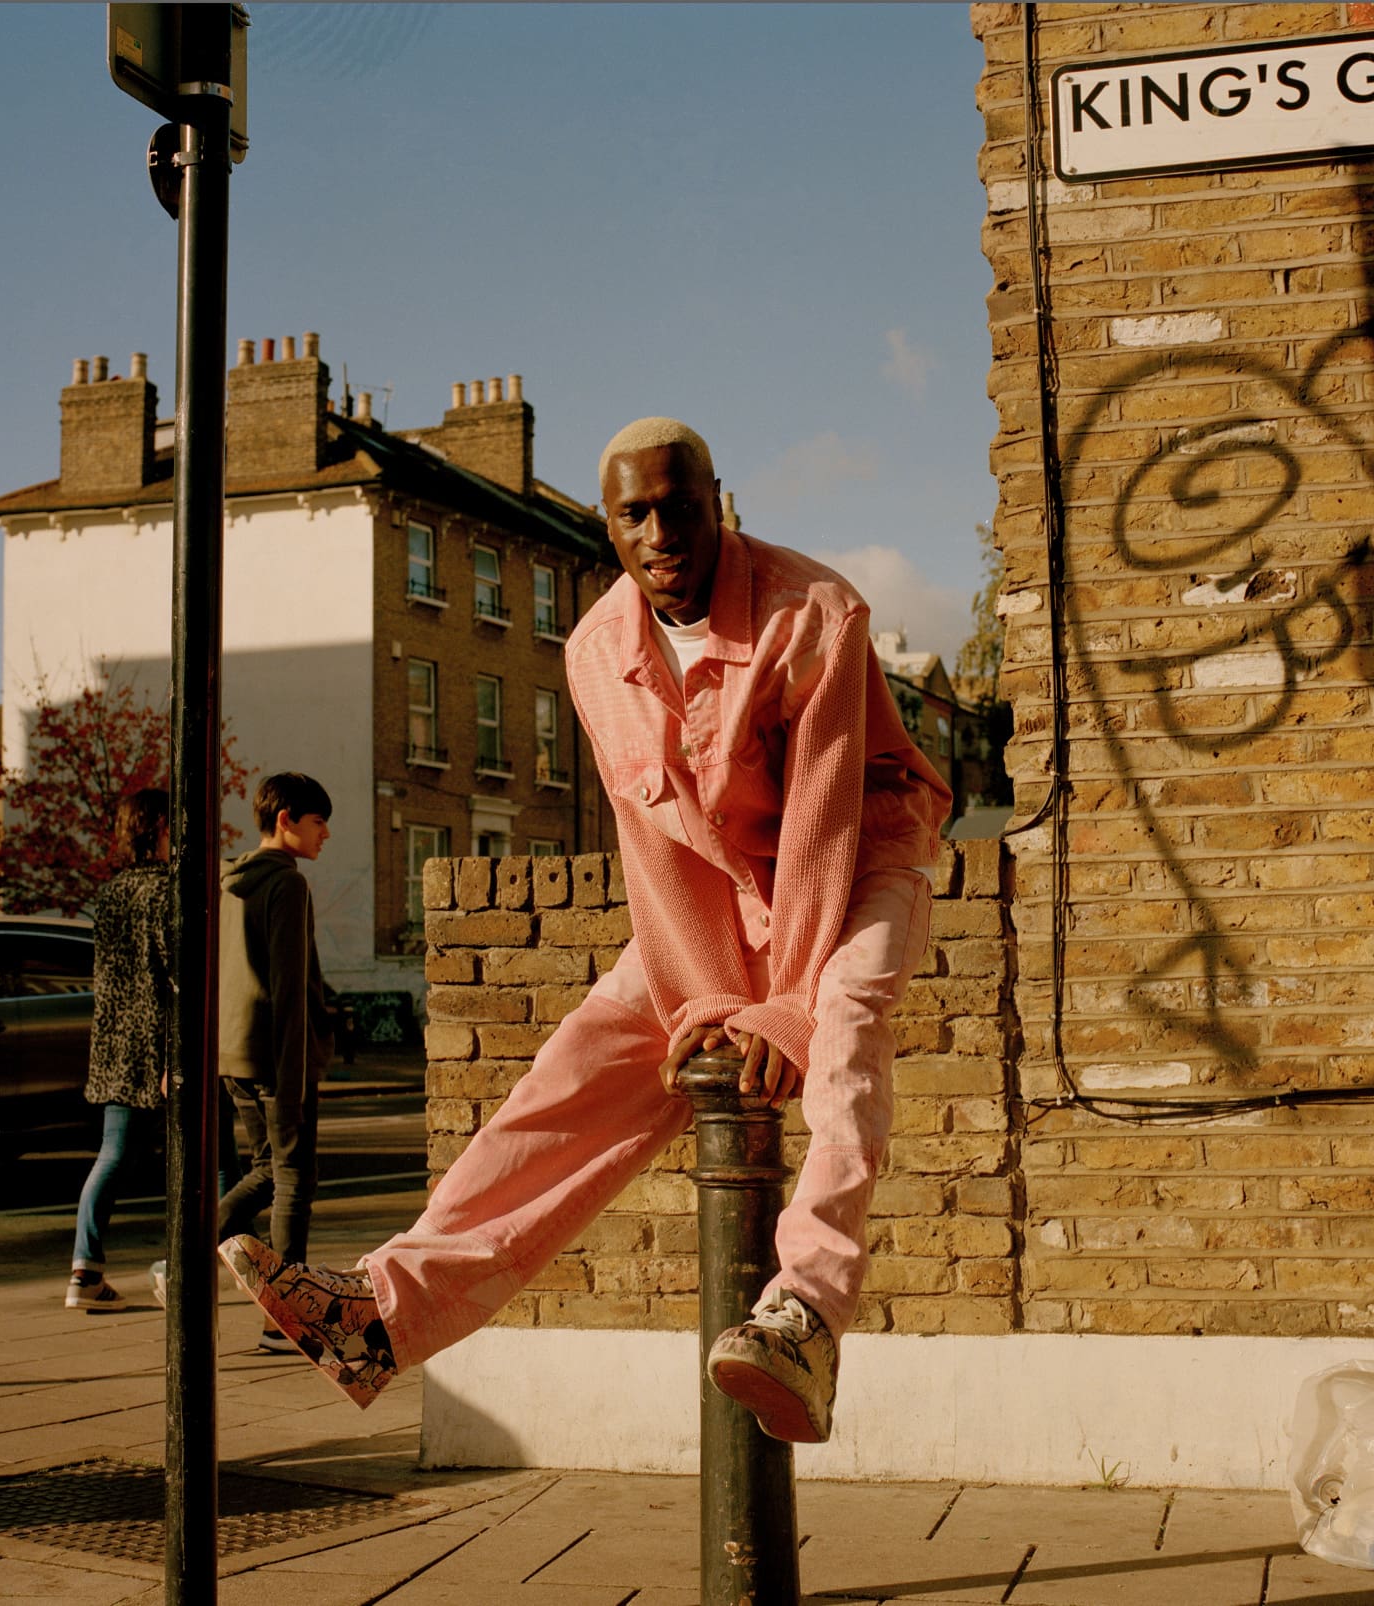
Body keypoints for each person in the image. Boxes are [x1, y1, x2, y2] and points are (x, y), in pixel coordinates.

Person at [219, 418, 951, 1443]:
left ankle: (805, 1317)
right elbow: (656, 854)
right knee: (568, 1074)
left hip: (865, 853)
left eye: (679, 507)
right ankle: (379, 1315)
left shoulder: (815, 613)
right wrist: (702, 997)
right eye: (633, 515)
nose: (660, 534)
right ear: (608, 525)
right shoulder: (597, 649)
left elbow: (823, 822)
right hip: (715, 891)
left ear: (716, 501)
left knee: (845, 1020)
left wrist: (782, 1008)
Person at [214, 771, 335, 1351]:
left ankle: (185, 1258)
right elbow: (290, 989)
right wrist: (294, 1082)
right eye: (317, 821)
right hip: (277, 1057)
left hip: (236, 1054)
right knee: (292, 1179)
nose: (326, 834)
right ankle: (283, 1318)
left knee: (267, 1170)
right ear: (285, 819)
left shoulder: (228, 881)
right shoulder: (286, 886)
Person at [66, 788, 173, 1309]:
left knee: (112, 1155)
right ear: (161, 830)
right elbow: (179, 979)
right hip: (162, 1048)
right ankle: (193, 1270)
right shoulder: (169, 890)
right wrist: (177, 1053)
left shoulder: (109, 894)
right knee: (217, 1164)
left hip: (115, 1043)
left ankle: (85, 1270)